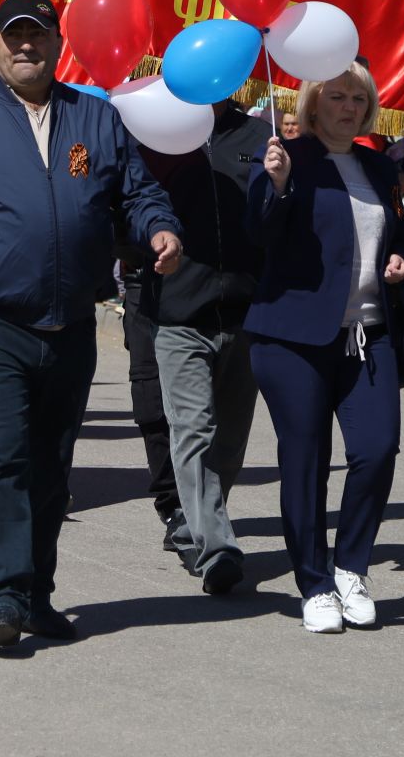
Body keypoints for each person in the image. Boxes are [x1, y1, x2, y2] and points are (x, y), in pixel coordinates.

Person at [0, 0, 182, 648]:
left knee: (51, 465)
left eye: (38, 36)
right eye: (14, 37)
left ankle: (38, 596)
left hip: (72, 325)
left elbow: (137, 192)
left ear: (56, 43)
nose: (26, 47)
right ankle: (3, 597)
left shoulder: (95, 120)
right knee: (2, 457)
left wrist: (158, 229)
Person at [244, 61, 404, 634]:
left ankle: (351, 567)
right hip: (292, 338)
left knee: (378, 448)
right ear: (313, 105)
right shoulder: (288, 159)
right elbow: (259, 235)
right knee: (306, 461)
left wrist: (399, 260)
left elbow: (399, 234)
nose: (348, 107)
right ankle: (313, 584)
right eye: (336, 97)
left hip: (367, 334)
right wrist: (278, 185)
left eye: (357, 98)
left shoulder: (379, 166)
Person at [122, 97, 268, 594]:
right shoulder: (156, 136)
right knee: (194, 429)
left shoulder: (259, 137)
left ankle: (194, 521)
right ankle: (216, 547)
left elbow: (281, 218)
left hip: (247, 312)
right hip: (180, 313)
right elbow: (130, 206)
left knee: (230, 437)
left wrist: (284, 181)